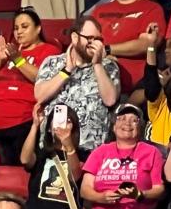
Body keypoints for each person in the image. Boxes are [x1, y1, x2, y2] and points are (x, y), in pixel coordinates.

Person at [0, 9, 61, 165]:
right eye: (16, 28)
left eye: (24, 27)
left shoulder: (50, 51)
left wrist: (18, 60)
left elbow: (43, 79)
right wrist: (1, 60)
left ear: (38, 28)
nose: (19, 32)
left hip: (23, 122)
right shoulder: (6, 51)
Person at [34, 16, 121, 153]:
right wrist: (67, 70)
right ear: (75, 37)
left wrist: (97, 64)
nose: (95, 44)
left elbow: (110, 100)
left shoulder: (109, 66)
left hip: (91, 150)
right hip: (54, 148)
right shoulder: (52, 63)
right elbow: (40, 95)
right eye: (90, 38)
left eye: (98, 40)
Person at [91, 0, 164, 84]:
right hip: (96, 82)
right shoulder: (99, 10)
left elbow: (148, 44)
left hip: (134, 86)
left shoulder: (152, 8)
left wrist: (107, 50)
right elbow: (86, 41)